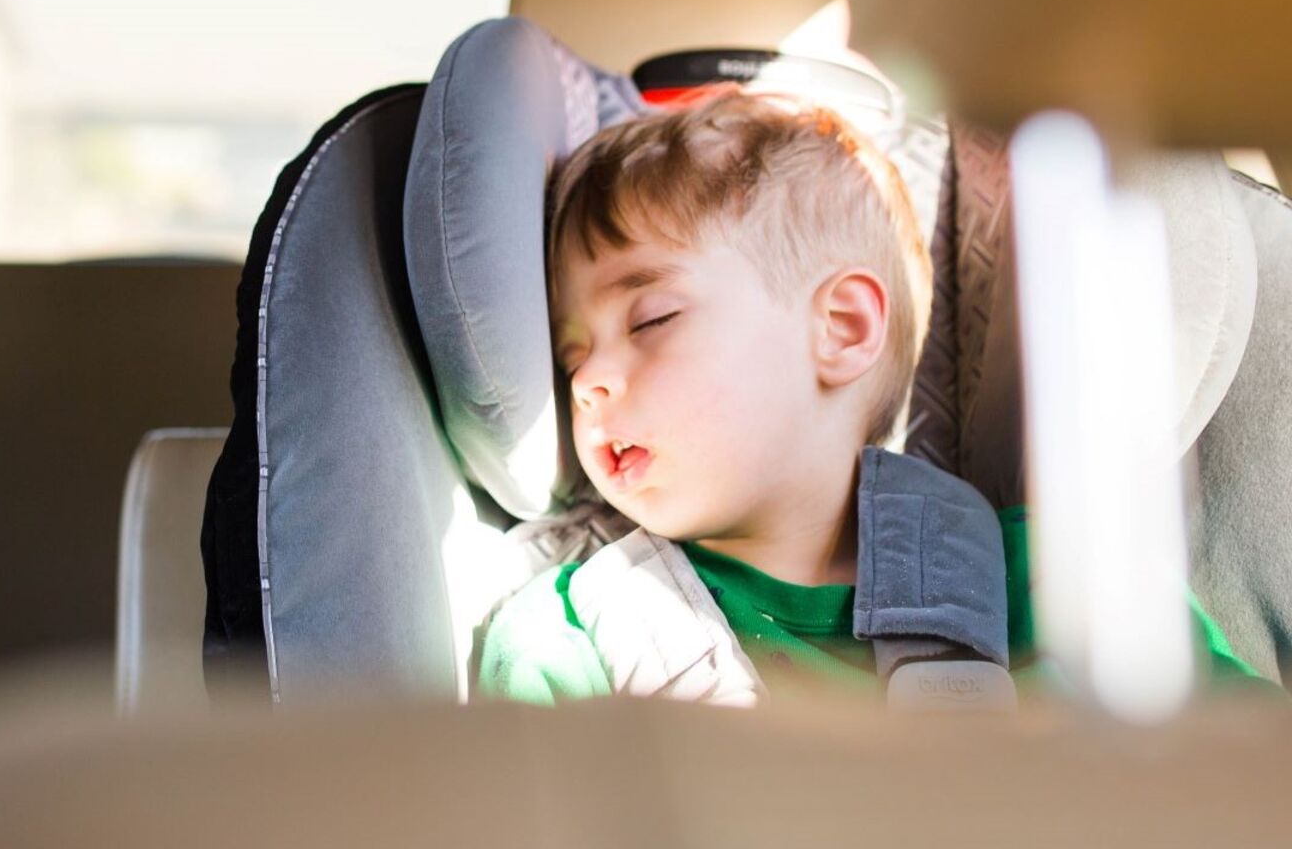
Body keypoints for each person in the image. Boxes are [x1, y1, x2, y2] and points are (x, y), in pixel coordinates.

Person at [476, 90, 1268, 705]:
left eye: (650, 318)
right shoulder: (572, 638)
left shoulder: (1045, 587)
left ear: (842, 328)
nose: (588, 382)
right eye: (569, 353)